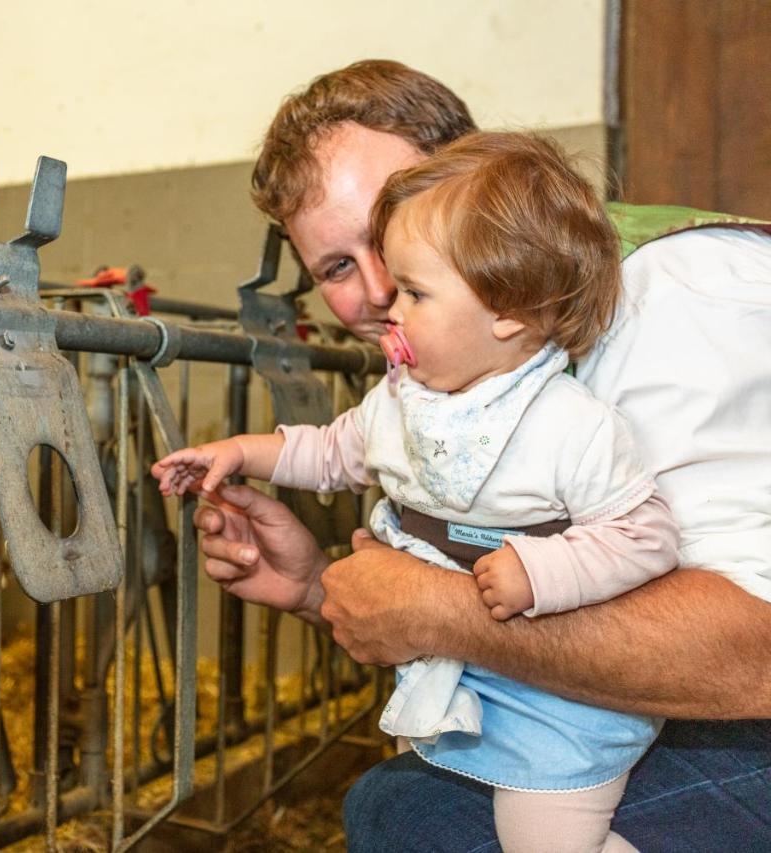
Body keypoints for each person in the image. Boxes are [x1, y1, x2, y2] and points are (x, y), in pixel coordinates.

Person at [192, 60, 771, 850]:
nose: (380, 289)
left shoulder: (670, 295)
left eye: (392, 227)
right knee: (410, 799)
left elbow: (756, 652)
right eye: (336, 268)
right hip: (674, 708)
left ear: (481, 174)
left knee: (419, 818)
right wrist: (318, 588)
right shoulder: (464, 362)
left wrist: (438, 609)